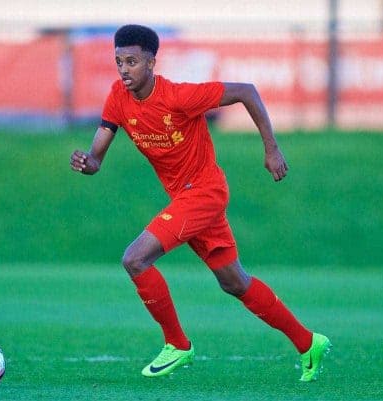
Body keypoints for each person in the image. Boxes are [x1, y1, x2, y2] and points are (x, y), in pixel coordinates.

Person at [69, 24, 331, 381]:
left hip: (204, 192)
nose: (124, 69)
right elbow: (97, 157)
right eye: (119, 61)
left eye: (132, 61)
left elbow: (247, 92)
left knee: (135, 258)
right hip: (187, 198)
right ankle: (308, 342)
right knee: (234, 282)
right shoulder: (118, 96)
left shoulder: (179, 97)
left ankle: (177, 345)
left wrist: (271, 148)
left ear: (151, 62)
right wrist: (88, 162)